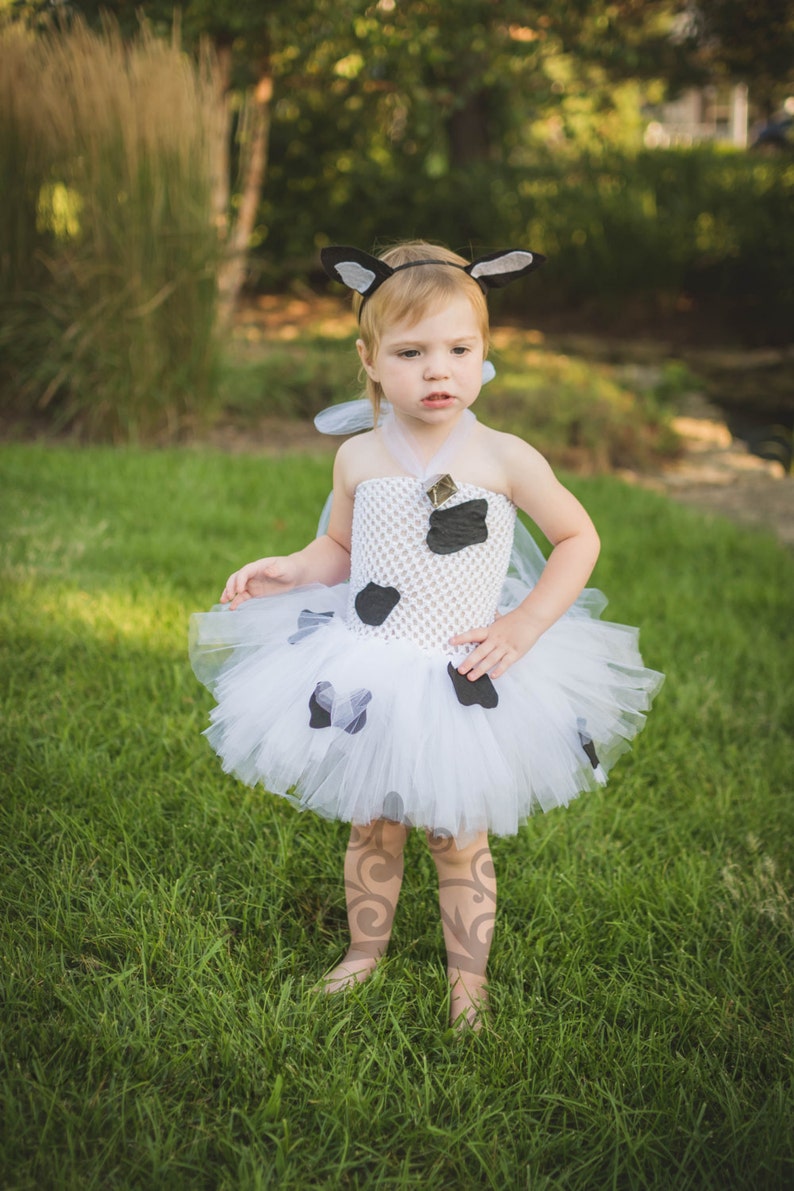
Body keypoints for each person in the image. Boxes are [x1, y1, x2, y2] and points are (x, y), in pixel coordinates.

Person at [189, 240, 663, 1030]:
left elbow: (578, 538)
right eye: (411, 352)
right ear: (369, 360)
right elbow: (338, 550)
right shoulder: (359, 457)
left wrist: (526, 621)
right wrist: (289, 567)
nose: (437, 370)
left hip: (462, 668)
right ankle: (361, 955)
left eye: (458, 349)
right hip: (372, 667)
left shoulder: (504, 457)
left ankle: (467, 984)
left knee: (454, 833)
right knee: (373, 823)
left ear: (485, 356)